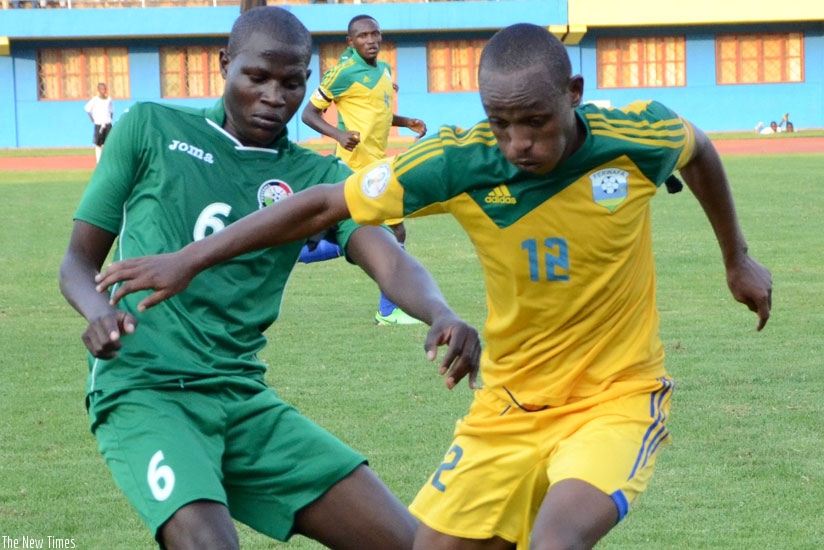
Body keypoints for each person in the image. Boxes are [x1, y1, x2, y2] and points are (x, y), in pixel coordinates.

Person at [94, 23, 773, 550]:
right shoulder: (461, 160)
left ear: (573, 94)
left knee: (555, 539)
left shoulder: (635, 135)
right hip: (505, 407)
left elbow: (701, 148)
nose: (517, 145)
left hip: (616, 397)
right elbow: (331, 206)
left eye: (535, 122)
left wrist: (737, 259)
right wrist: (189, 259)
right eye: (501, 124)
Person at [59, 7, 481, 549]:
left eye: (292, 82)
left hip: (242, 399)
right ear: (225, 64)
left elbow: (390, 257)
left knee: (411, 543)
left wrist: (441, 311)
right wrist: (99, 315)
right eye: (257, 77)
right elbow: (76, 261)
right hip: (146, 390)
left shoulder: (318, 178)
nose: (274, 96)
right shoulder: (149, 128)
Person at [301, 14, 428, 326]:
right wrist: (338, 134)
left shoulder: (384, 72)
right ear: (351, 42)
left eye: (376, 34)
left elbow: (379, 111)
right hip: (354, 168)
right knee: (387, 232)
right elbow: (308, 113)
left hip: (380, 166)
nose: (371, 41)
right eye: (363, 36)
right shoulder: (341, 73)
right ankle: (290, 251)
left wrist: (406, 121)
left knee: (394, 231)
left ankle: (388, 308)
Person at [84, 82, 114, 163]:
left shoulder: (109, 99)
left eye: (105, 89)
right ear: (98, 90)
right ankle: (99, 162)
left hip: (107, 123)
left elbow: (111, 109)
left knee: (109, 143)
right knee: (98, 144)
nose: (104, 90)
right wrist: (91, 118)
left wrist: (111, 117)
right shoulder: (95, 100)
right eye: (102, 89)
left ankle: (108, 160)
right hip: (99, 124)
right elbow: (87, 109)